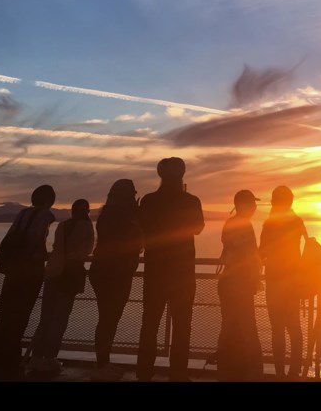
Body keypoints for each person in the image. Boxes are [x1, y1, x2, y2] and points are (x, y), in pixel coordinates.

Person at [136, 157, 205, 382]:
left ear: (160, 174)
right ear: (182, 174)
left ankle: (144, 373)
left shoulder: (148, 201)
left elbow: (142, 228)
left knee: (149, 324)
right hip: (183, 273)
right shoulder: (191, 201)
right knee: (182, 326)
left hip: (155, 271)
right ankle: (178, 374)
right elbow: (198, 228)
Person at [0, 184, 57, 381]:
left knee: (5, 314)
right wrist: (45, 257)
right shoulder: (46, 215)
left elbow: (11, 238)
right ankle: (10, 362)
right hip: (29, 272)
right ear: (49, 200)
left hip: (13, 270)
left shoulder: (22, 213)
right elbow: (37, 242)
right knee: (20, 315)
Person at [27, 198, 95, 374]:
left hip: (52, 271)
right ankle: (49, 357)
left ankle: (35, 357)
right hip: (69, 275)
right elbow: (86, 250)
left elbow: (57, 246)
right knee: (60, 318)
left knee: (46, 316)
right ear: (86, 211)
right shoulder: (87, 227)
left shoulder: (62, 225)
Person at [89, 179, 143, 381]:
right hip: (115, 274)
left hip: (103, 272)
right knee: (109, 320)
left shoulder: (107, 214)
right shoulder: (123, 216)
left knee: (107, 319)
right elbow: (132, 240)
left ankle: (103, 363)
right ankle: (102, 366)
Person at [259, 185, 308, 380]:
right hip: (294, 280)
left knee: (277, 329)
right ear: (291, 202)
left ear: (273, 202)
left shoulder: (270, 224)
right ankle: (294, 370)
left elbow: (262, 252)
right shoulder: (296, 221)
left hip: (275, 280)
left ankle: (279, 372)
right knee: (294, 327)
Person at [216, 189, 264, 381]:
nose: (255, 207)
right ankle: (255, 373)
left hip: (227, 283)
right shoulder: (244, 225)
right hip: (240, 283)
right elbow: (250, 254)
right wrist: (256, 278)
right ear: (243, 205)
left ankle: (225, 370)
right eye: (252, 203)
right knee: (249, 329)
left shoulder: (230, 223)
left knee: (228, 326)